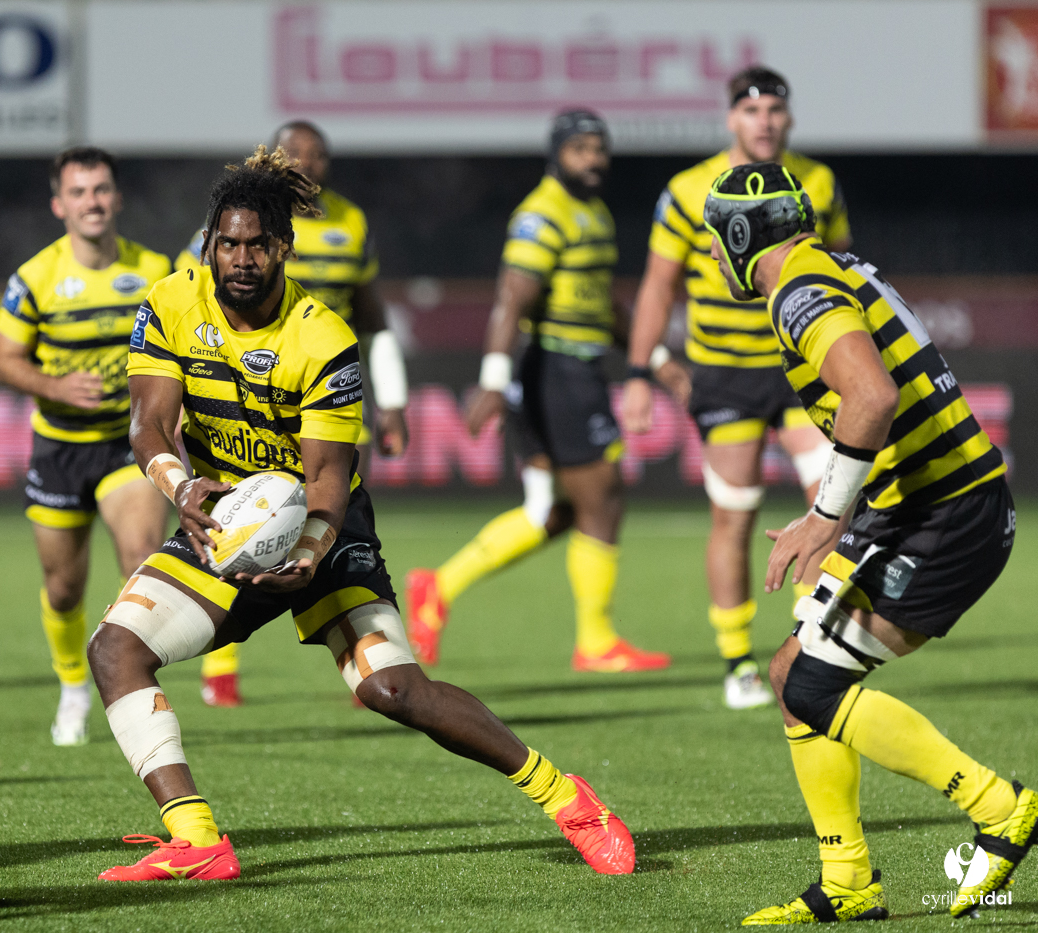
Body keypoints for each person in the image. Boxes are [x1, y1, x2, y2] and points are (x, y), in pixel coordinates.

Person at [87, 146, 635, 882]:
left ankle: (569, 798)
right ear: (209, 242)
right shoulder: (169, 303)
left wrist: (308, 555)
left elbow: (327, 478)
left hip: (324, 529)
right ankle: (197, 838)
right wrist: (181, 488)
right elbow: (148, 425)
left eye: (257, 244)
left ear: (283, 247)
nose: (241, 259)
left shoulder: (323, 337)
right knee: (116, 649)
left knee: (391, 690)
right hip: (220, 519)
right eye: (228, 243)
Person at [699, 163, 1032, 924]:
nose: (714, 256)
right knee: (791, 676)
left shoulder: (798, 291)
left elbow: (872, 394)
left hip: (941, 511)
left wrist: (824, 513)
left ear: (744, 233)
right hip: (917, 505)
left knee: (813, 687)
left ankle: (1001, 806)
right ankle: (848, 879)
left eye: (717, 238)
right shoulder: (830, 266)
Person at [405, 110, 676, 673]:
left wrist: (655, 357)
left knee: (551, 510)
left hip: (577, 369)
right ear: (556, 155)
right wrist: (492, 380)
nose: (594, 159)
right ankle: (596, 640)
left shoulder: (592, 212)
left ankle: (438, 586)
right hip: (555, 371)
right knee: (600, 498)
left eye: (600, 149)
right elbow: (512, 299)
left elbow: (600, 305)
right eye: (581, 149)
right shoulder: (542, 214)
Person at [622, 66, 851, 709]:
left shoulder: (818, 182)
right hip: (723, 373)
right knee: (735, 512)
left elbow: (841, 268)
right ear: (731, 119)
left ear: (790, 117)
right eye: (752, 112)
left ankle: (809, 643)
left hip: (802, 366)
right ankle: (736, 661)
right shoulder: (689, 189)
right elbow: (657, 286)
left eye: (776, 110)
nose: (765, 122)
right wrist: (640, 376)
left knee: (831, 501)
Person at [177, 121, 409, 706]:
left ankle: (369, 662)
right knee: (238, 518)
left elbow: (373, 317)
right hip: (242, 395)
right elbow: (187, 304)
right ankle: (220, 672)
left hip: (324, 388)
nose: (305, 162)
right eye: (293, 152)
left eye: (317, 154)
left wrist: (395, 398)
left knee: (333, 508)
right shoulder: (231, 226)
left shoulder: (351, 225)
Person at [0, 148, 173, 746]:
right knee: (63, 587)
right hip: (60, 451)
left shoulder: (155, 269)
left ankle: (128, 680)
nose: (91, 201)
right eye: (79, 191)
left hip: (129, 445)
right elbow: (3, 360)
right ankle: (73, 685)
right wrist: (54, 385)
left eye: (101, 189)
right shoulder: (36, 277)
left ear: (117, 198)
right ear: (59, 204)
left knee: (143, 554)